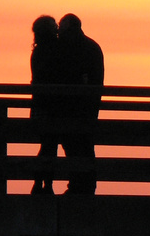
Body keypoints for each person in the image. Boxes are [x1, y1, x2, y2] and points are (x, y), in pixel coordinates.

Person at [55, 13, 104, 194]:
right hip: (86, 109)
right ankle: (83, 186)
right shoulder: (91, 47)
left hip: (77, 109)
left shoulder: (75, 48)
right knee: (81, 147)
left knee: (77, 146)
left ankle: (80, 186)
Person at [29, 15, 60, 195]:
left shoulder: (38, 51)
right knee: (50, 146)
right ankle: (45, 184)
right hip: (52, 106)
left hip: (40, 104)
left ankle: (41, 183)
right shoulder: (54, 50)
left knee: (47, 145)